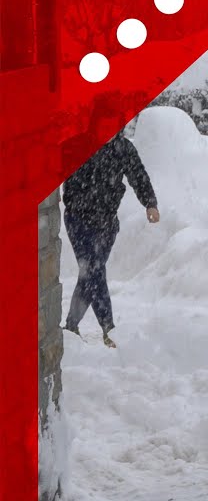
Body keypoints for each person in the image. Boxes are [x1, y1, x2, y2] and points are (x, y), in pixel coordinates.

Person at [62, 120, 160, 348]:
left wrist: (150, 204)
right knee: (93, 269)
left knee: (90, 273)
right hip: (78, 220)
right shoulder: (78, 144)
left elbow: (139, 176)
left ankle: (71, 326)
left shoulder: (123, 148)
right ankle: (109, 328)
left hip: (106, 223)